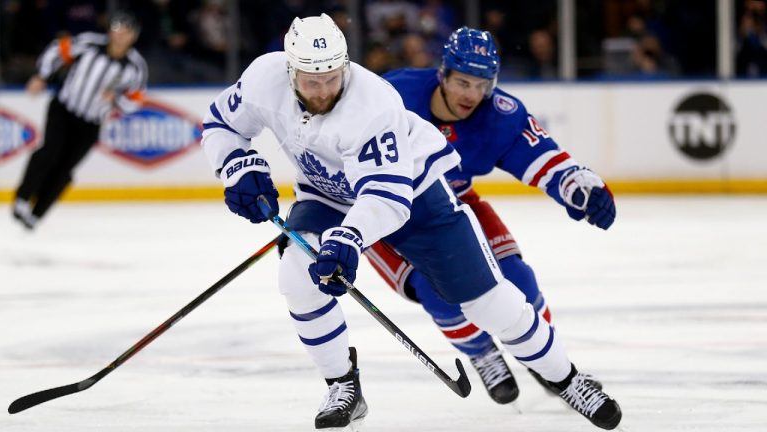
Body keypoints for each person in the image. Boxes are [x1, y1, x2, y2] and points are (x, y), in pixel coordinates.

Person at [200, 14, 622, 431]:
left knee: (489, 301)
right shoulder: (262, 79)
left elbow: (387, 198)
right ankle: (343, 385)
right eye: (312, 80)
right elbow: (221, 123)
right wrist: (236, 165)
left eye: (333, 76)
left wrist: (347, 238)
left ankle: (566, 379)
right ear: (290, 69)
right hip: (326, 194)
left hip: (414, 197)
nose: (325, 89)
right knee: (296, 277)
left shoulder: (372, 104)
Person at [365, 26, 618, 407]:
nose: (471, 95)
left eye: (480, 84)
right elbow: (335, 147)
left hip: (455, 201)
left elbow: (545, 160)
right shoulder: (391, 96)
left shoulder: (500, 115)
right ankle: (482, 352)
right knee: (438, 292)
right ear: (443, 74)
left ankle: (548, 359)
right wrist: (316, 211)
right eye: (462, 82)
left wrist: (581, 188)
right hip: (390, 210)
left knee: (518, 278)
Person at [12, 12, 147, 230]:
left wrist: (118, 99)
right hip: (64, 109)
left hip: (91, 123)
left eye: (126, 32)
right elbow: (58, 50)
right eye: (117, 29)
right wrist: (42, 76)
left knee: (65, 169)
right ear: (110, 30)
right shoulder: (89, 44)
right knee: (49, 153)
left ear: (133, 36)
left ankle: (37, 214)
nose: (121, 36)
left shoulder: (135, 66)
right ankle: (22, 197)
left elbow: (136, 100)